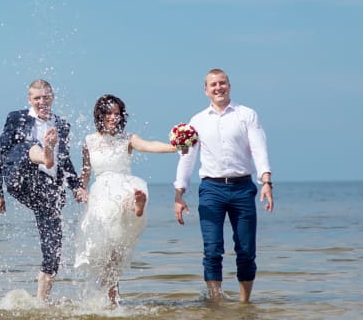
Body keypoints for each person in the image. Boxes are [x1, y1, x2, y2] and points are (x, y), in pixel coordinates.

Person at [173, 69, 274, 303]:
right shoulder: (197, 121)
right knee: (212, 249)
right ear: (206, 90)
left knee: (246, 251)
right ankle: (215, 302)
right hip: (211, 190)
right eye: (213, 85)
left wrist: (266, 182)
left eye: (222, 83)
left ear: (229, 85)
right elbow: (186, 158)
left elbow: (259, 149)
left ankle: (244, 303)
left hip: (242, 188)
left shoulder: (246, 114)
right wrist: (179, 194)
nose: (218, 88)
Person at [74, 94, 180, 306]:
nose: (114, 117)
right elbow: (86, 171)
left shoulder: (128, 138)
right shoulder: (89, 141)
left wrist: (174, 147)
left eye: (117, 113)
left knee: (123, 206)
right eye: (109, 113)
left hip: (124, 186)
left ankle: (135, 208)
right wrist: (81, 188)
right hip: (100, 193)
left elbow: (149, 145)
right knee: (106, 253)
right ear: (100, 115)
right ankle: (113, 301)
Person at [0, 79, 87, 301]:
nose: (41, 101)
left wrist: (77, 187)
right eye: (36, 98)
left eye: (45, 97)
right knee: (28, 146)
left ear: (52, 97)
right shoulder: (17, 118)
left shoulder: (62, 125)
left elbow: (66, 161)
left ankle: (41, 301)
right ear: (29, 100)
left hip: (46, 188)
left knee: (53, 247)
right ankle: (44, 154)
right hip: (19, 176)